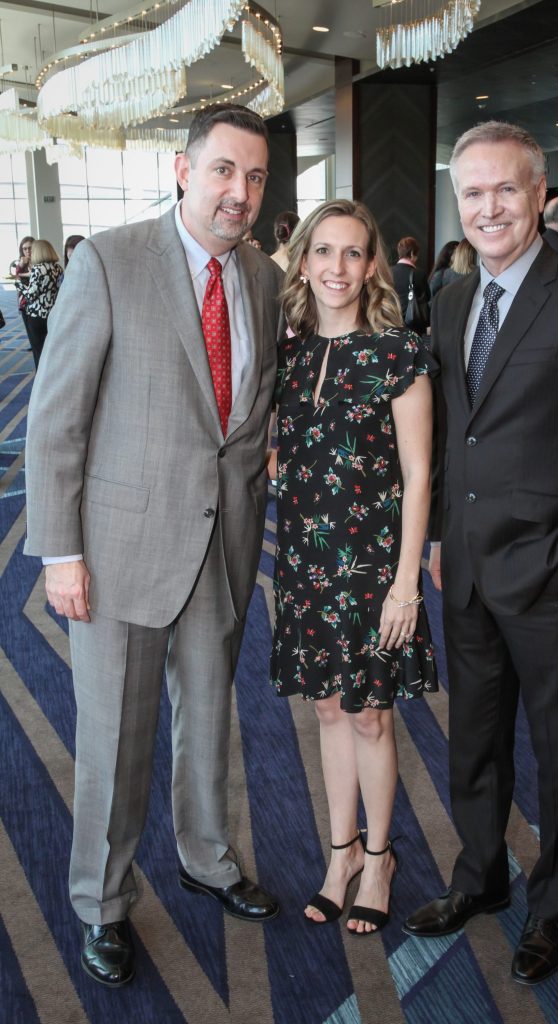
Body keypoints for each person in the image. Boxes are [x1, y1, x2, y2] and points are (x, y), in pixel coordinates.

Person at [24, 103, 283, 989]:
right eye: (222, 171)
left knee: (211, 721)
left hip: (222, 546)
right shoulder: (109, 261)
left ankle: (207, 858)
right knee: (116, 737)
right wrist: (61, 552)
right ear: (182, 169)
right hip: (119, 550)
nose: (238, 192)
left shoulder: (263, 279)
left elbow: (245, 417)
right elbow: (54, 421)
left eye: (254, 177)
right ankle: (101, 901)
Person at [403, 121, 558, 985]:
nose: (489, 207)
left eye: (506, 189)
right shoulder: (454, 296)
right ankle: (481, 879)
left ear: (539, 196)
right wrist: (435, 541)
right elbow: (450, 436)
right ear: (457, 203)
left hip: (548, 573)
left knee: (555, 748)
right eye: (473, 193)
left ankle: (550, 908)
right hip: (464, 567)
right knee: (472, 740)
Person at [270, 199, 438, 934]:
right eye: (322, 252)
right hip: (305, 563)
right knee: (328, 710)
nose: (336, 268)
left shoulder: (398, 353)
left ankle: (378, 858)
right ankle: (338, 856)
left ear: (372, 266)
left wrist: (405, 584)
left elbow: (419, 473)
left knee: (371, 717)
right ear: (303, 261)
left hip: (373, 570)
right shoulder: (292, 354)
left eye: (351, 254)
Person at [17, 239, 62, 368]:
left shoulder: (38, 268)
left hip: (37, 315)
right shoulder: (58, 268)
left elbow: (31, 295)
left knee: (39, 351)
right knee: (52, 349)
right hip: (53, 313)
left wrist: (19, 284)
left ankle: (41, 381)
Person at [391, 236, 430, 328]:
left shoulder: (387, 272)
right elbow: (427, 297)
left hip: (390, 322)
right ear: (412, 253)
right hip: (412, 324)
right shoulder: (419, 274)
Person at [11, 235, 34, 336]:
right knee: (28, 325)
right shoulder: (20, 263)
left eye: (30, 248)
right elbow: (16, 280)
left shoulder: (39, 261)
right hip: (24, 299)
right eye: (25, 249)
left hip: (36, 299)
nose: (28, 251)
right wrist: (20, 266)